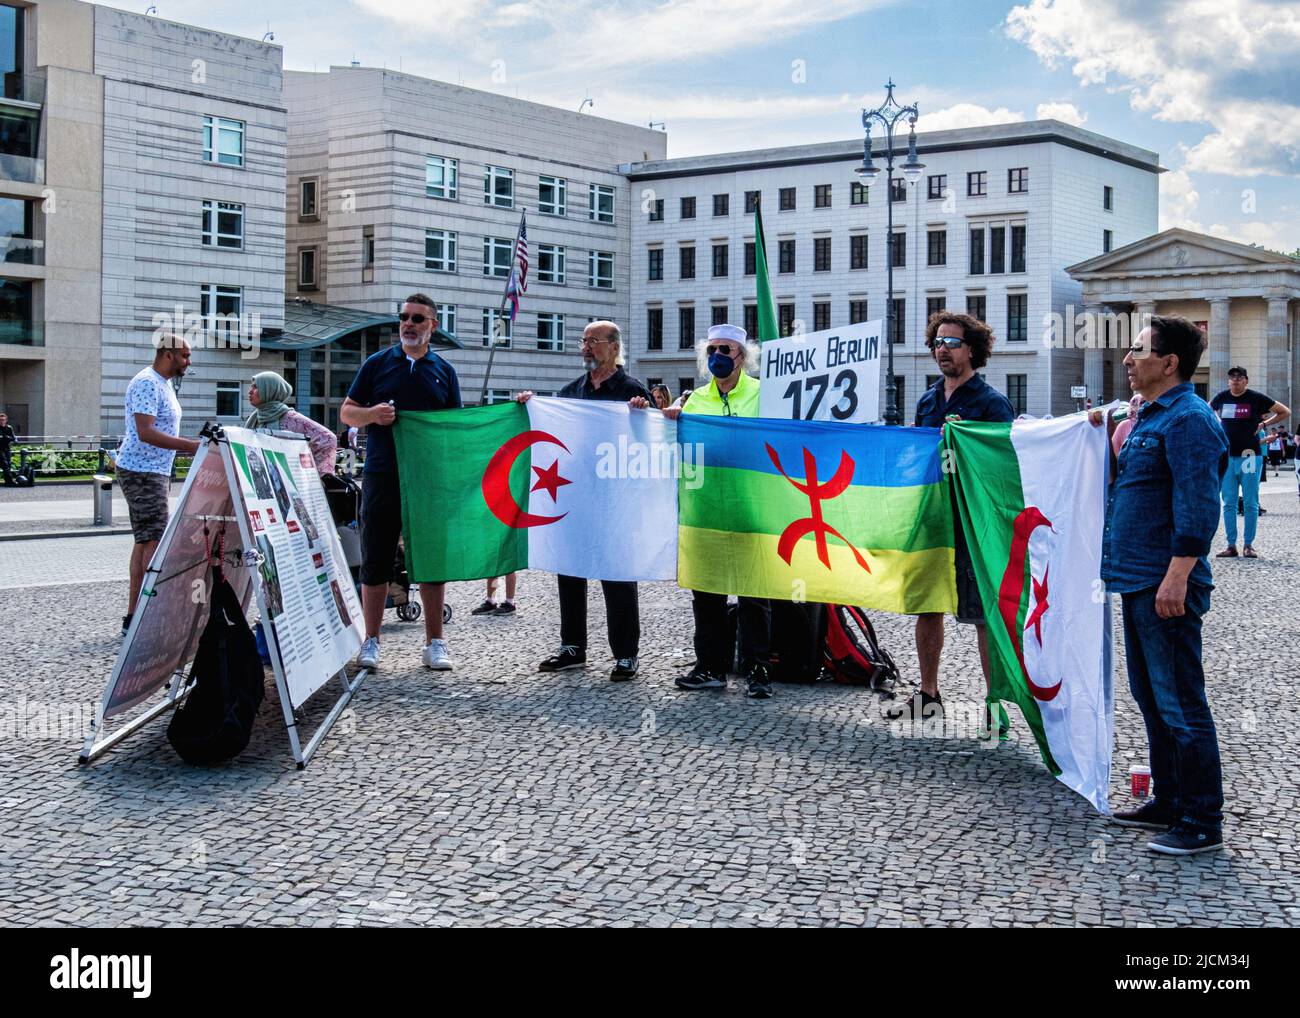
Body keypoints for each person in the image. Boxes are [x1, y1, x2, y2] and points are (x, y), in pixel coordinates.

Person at [1099, 316, 1229, 855]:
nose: (1127, 360)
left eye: (1138, 351)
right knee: (1151, 697)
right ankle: (1169, 801)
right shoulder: (1151, 416)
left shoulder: (1190, 420)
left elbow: (1199, 506)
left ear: (1169, 362)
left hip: (1164, 584)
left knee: (1181, 703)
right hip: (1138, 580)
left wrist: (1177, 577)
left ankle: (1201, 821)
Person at [887, 310, 1015, 738]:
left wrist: (969, 443)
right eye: (938, 342)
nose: (942, 349)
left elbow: (1003, 466)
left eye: (952, 342)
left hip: (972, 524)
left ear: (973, 350)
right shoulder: (927, 400)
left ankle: (994, 706)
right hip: (933, 518)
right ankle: (927, 696)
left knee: (983, 617)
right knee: (927, 605)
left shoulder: (992, 403)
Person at [517, 320, 649, 682]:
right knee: (570, 569)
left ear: (614, 347)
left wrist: (642, 414)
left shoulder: (632, 391)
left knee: (617, 575)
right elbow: (552, 429)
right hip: (574, 493)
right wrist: (530, 406)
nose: (586, 348)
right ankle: (572, 646)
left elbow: (650, 443)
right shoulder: (570, 391)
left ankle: (625, 653)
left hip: (614, 500)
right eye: (584, 341)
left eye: (594, 342)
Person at [340, 294, 462, 672]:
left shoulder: (444, 370)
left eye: (418, 319)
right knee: (375, 557)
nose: (409, 324)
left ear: (433, 326)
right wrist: (372, 415)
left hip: (428, 480)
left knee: (430, 561)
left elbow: (455, 429)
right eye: (404, 318)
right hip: (381, 474)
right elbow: (347, 412)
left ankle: (435, 643)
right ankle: (370, 641)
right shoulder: (376, 365)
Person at [660, 324, 774, 699]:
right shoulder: (694, 401)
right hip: (705, 509)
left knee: (753, 594)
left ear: (743, 356)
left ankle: (757, 668)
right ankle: (709, 666)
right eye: (712, 350)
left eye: (726, 349)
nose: (717, 357)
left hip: (752, 508)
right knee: (706, 593)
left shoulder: (765, 394)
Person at [117, 335, 201, 634]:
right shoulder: (147, 383)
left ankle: (135, 615)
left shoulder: (162, 383)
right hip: (142, 471)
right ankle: (143, 616)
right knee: (152, 542)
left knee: (147, 540)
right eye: (184, 356)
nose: (188, 362)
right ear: (168, 354)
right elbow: (145, 432)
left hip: (153, 471)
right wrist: (190, 446)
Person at [1209, 366, 1289, 558]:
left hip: (1249, 454)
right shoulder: (1221, 397)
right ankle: (1231, 545)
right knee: (1228, 502)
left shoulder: (1256, 398)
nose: (1235, 380)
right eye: (1232, 377)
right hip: (1227, 456)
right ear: (1228, 381)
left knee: (1250, 501)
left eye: (1239, 377)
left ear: (1246, 380)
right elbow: (1204, 411)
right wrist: (1215, 428)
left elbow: (1284, 411)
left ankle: (1248, 545)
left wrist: (1263, 424)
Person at [246, 371, 337, 475]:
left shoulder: (291, 418)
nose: (250, 391)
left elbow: (328, 439)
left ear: (270, 390)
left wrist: (312, 475)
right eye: (251, 387)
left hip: (287, 485)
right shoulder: (256, 418)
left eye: (255, 387)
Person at [0, 410, 15, 486]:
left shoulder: (9, 428)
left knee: (8, 464)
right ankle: (10, 481)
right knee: (5, 464)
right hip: (0, 449)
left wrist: (5, 438)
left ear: (6, 420)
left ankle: (7, 481)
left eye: (3, 420)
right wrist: (5, 438)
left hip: (7, 448)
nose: (2, 421)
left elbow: (13, 438)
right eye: (0, 420)